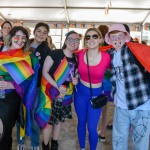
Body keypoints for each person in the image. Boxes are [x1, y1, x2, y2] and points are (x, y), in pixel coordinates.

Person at [105, 24, 150, 150]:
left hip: (141, 105)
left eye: (120, 36)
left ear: (126, 37)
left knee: (141, 142)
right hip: (120, 106)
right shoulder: (110, 54)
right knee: (118, 141)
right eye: (113, 37)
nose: (117, 39)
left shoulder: (134, 50)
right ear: (109, 40)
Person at [40, 30, 79, 150]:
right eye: (70, 39)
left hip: (66, 94)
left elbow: (75, 74)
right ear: (65, 41)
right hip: (50, 92)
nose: (73, 42)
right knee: (49, 120)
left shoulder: (76, 58)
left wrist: (76, 79)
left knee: (59, 119)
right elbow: (44, 72)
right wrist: (57, 86)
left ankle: (55, 142)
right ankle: (45, 144)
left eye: (76, 40)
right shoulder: (55, 53)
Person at [0, 26, 36, 150]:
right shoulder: (1, 55)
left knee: (4, 130)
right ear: (10, 37)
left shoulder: (26, 56)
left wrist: (11, 84)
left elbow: (29, 81)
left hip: (11, 99)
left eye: (24, 38)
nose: (20, 40)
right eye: (17, 36)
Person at [74, 28, 111, 150]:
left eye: (95, 36)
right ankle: (82, 148)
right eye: (88, 37)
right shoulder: (79, 54)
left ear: (100, 39)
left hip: (96, 96)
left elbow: (116, 72)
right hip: (80, 93)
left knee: (92, 127)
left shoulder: (107, 57)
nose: (91, 39)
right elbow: (74, 70)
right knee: (81, 123)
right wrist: (75, 77)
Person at [17, 22, 51, 150]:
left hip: (36, 88)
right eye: (39, 31)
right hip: (21, 86)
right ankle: (21, 142)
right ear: (34, 31)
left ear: (47, 35)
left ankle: (35, 144)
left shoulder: (47, 50)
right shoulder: (24, 45)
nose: (41, 34)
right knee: (21, 114)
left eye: (45, 32)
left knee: (34, 117)